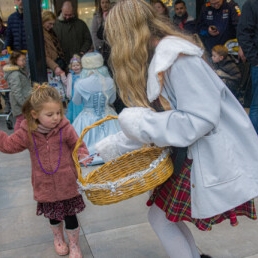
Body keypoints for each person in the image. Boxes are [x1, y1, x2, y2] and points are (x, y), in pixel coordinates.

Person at [95, 0, 258, 257]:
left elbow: (199, 119)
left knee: (161, 218)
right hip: (190, 153)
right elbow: (154, 123)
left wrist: (138, 122)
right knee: (162, 218)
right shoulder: (163, 57)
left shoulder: (177, 58)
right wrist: (104, 149)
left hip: (201, 155)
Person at [0, 83, 93, 258]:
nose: (56, 118)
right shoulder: (27, 133)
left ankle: (74, 244)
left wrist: (82, 154)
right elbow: (8, 145)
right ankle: (58, 239)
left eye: (58, 112)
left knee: (71, 216)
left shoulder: (65, 128)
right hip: (45, 185)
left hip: (67, 183)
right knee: (54, 216)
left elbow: (77, 144)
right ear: (35, 114)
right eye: (50, 114)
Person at [72, 52, 121, 165]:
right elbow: (112, 100)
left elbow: (77, 101)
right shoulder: (110, 81)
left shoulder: (80, 83)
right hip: (108, 116)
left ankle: (89, 155)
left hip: (87, 118)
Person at [237, 0, 258, 134]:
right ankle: (254, 144)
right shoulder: (252, 4)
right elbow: (243, 33)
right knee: (257, 106)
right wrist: (255, 60)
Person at [3, 50, 31, 131]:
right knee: (20, 121)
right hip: (20, 103)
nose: (24, 62)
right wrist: (23, 103)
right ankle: (17, 138)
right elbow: (16, 91)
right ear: (15, 60)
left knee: (23, 120)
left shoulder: (19, 72)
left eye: (25, 59)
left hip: (22, 101)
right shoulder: (15, 74)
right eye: (22, 60)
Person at [42, 11, 67, 76]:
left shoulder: (51, 32)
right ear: (44, 20)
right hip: (51, 67)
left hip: (55, 64)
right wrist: (55, 67)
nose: (52, 26)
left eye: (53, 24)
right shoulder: (41, 34)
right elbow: (44, 54)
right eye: (50, 23)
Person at [61, 54, 84, 124]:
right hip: (73, 95)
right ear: (71, 67)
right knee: (73, 109)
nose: (75, 67)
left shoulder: (83, 75)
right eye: (74, 66)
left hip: (81, 95)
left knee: (81, 108)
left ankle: (81, 121)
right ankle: (75, 122)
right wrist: (62, 76)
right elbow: (67, 83)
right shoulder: (70, 75)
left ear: (81, 66)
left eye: (77, 65)